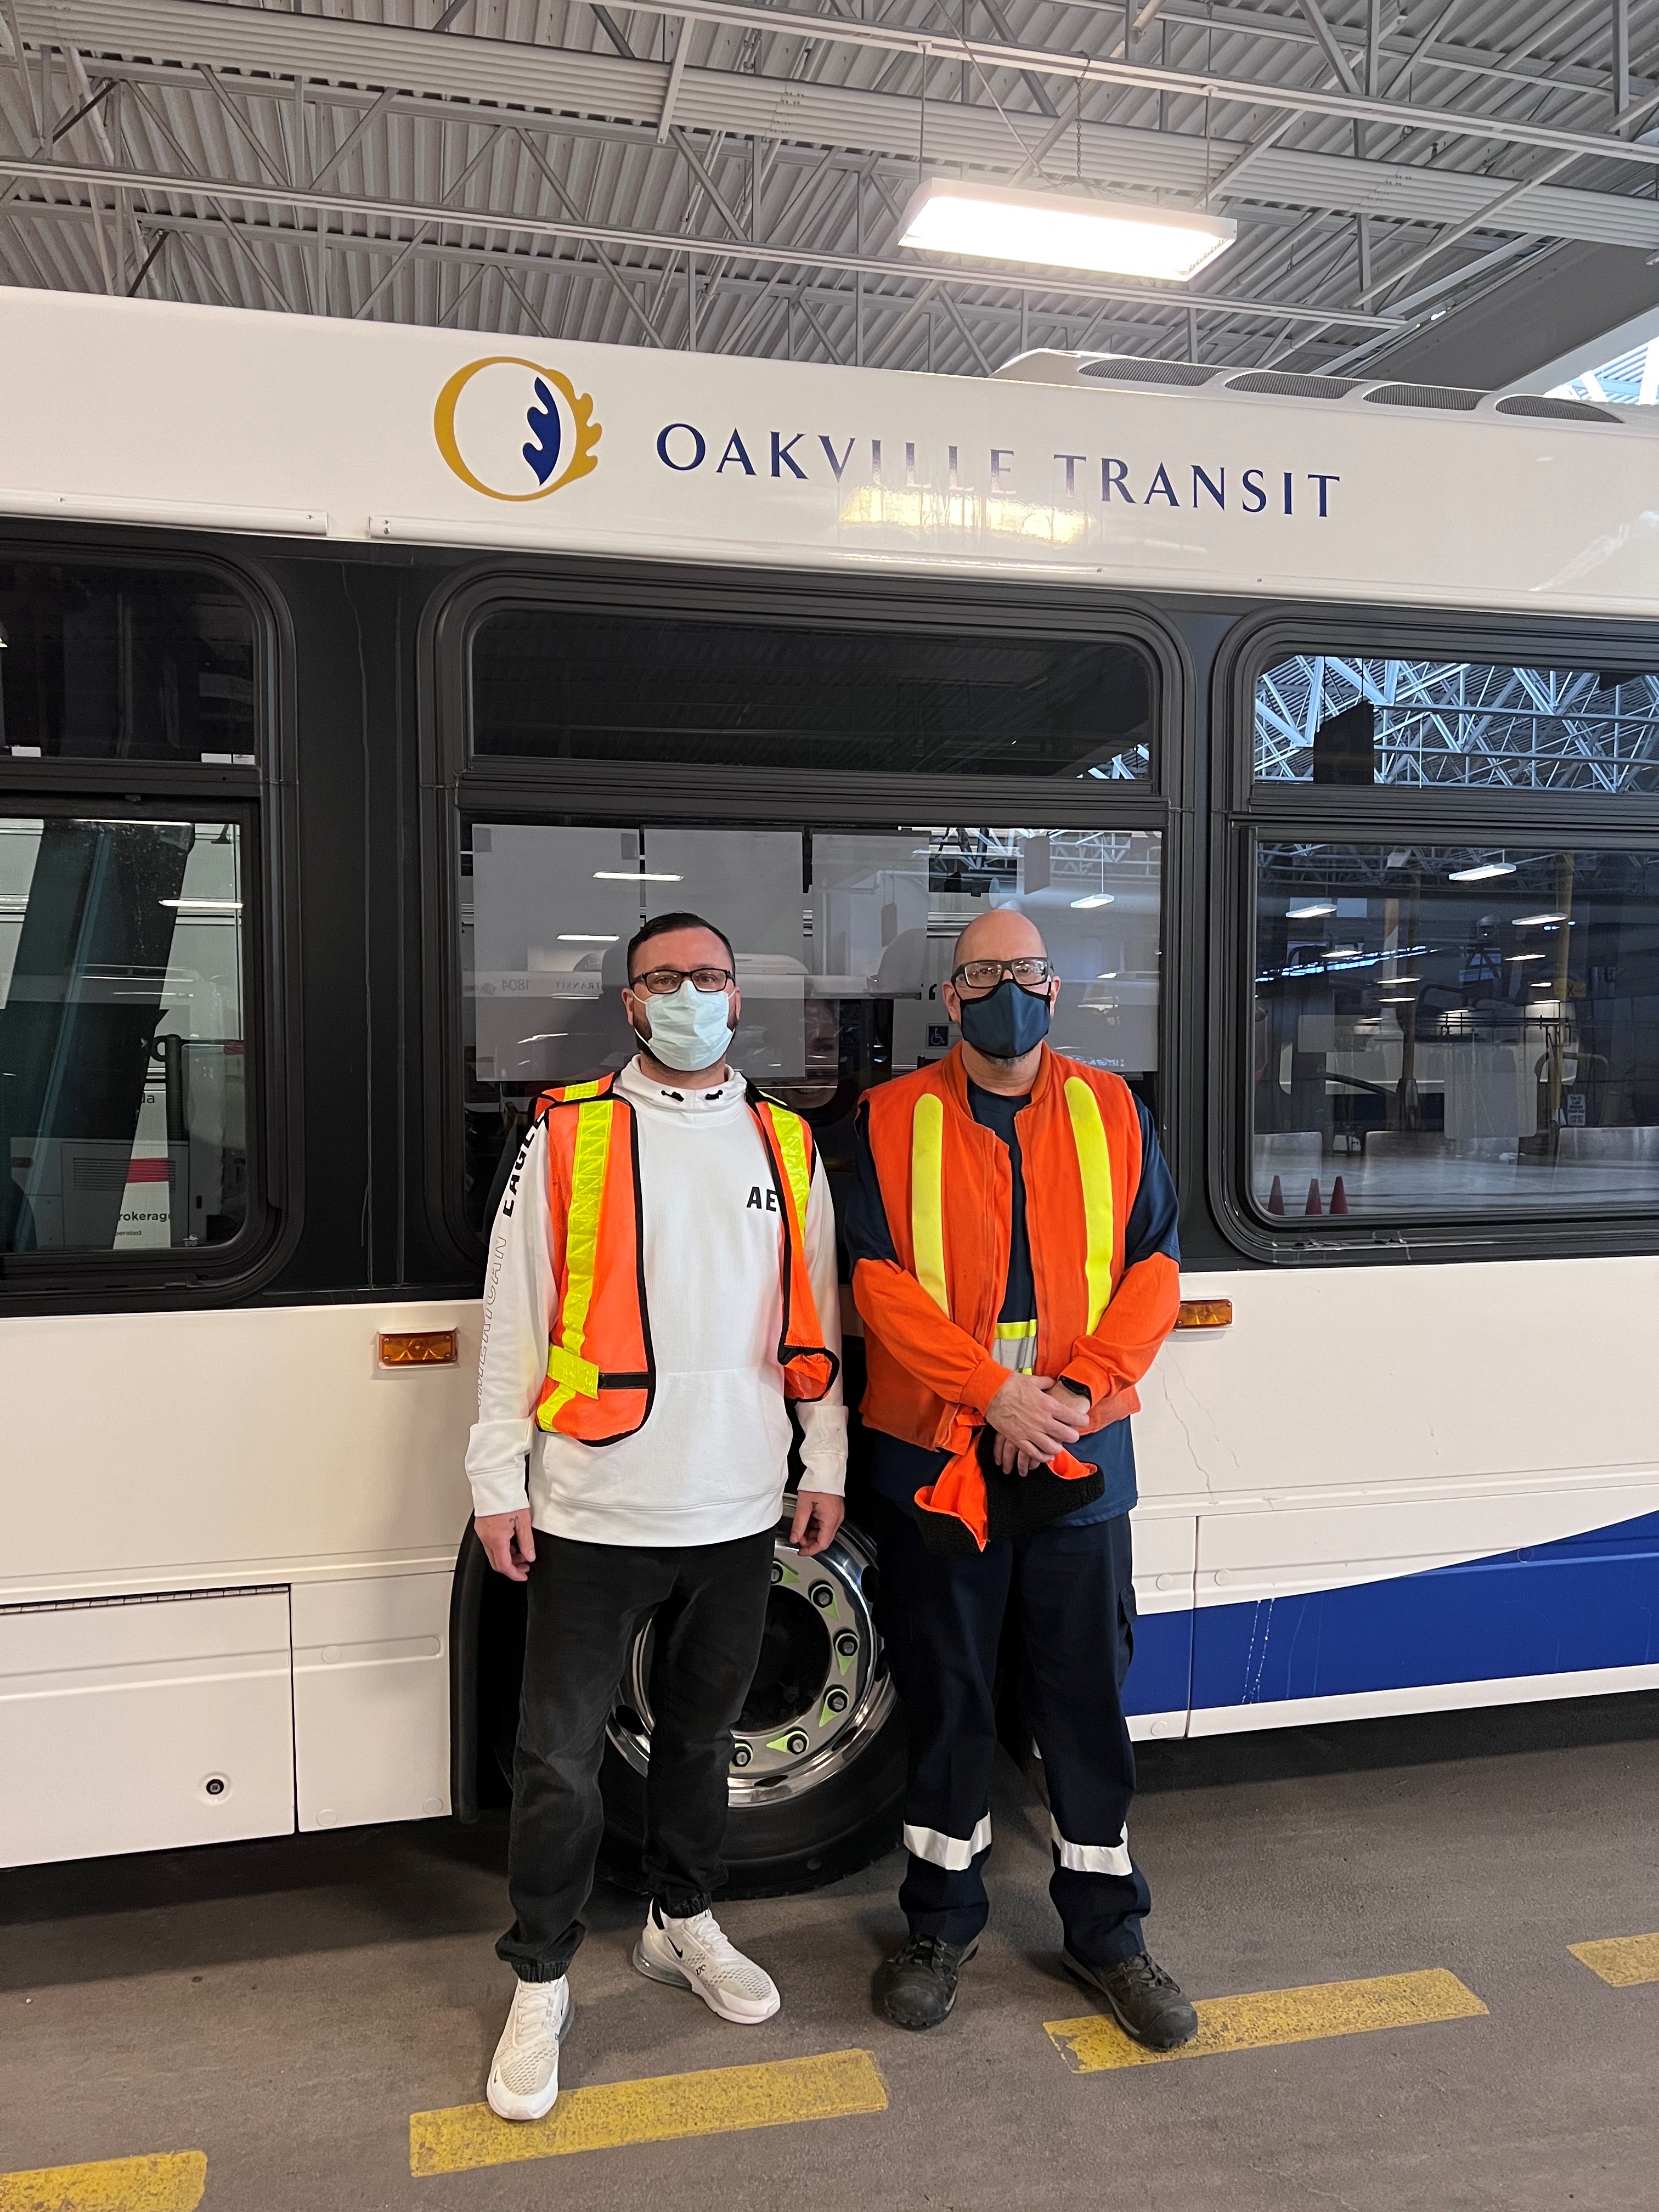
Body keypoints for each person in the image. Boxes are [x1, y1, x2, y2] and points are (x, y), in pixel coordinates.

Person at [465, 912, 848, 2122]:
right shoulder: (569, 1134)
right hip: (591, 1502)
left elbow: (819, 1319)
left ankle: (681, 1923)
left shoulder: (786, 1143)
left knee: (699, 1742)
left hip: (739, 1506)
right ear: (631, 1003)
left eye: (710, 977)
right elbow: (511, 1318)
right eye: (664, 979)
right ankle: (541, 1976)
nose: (690, 994)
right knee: (560, 1762)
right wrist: (496, 1479)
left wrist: (821, 1462)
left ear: (740, 997)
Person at [844, 906, 1197, 2049]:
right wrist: (988, 1394)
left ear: (1057, 989)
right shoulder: (884, 1121)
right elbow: (873, 1283)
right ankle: (939, 1926)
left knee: (1085, 1703)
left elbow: (1155, 1268)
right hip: (940, 1459)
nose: (1010, 990)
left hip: (1079, 1457)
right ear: (949, 998)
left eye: (1028, 971)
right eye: (985, 972)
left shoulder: (1114, 1108)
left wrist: (1071, 1400)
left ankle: (1109, 1936)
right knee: (947, 1703)